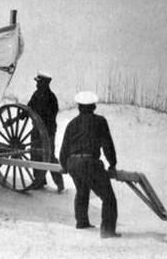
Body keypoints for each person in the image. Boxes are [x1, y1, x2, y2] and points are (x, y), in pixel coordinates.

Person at [59, 91, 120, 238]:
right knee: (108, 198)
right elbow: (107, 145)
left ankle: (82, 222)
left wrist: (64, 166)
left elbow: (64, 148)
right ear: (94, 107)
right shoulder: (100, 121)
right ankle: (107, 231)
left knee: (82, 190)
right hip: (89, 163)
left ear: (79, 107)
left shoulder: (72, 123)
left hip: (73, 163)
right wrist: (112, 164)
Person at [27, 71, 64, 192]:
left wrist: (41, 124)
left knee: (49, 156)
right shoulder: (36, 95)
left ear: (45, 83)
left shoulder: (51, 98)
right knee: (34, 154)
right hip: (37, 130)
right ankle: (39, 181)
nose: (36, 85)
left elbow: (52, 115)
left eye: (38, 83)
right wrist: (19, 117)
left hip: (48, 132)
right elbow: (28, 108)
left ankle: (59, 183)